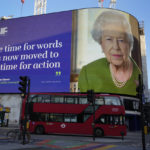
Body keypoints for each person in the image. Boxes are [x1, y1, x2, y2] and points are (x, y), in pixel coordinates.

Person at [78, 10, 141, 96]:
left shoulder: (139, 76)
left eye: (121, 40)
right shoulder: (87, 73)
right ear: (101, 44)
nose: (115, 46)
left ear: (129, 43)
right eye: (109, 39)